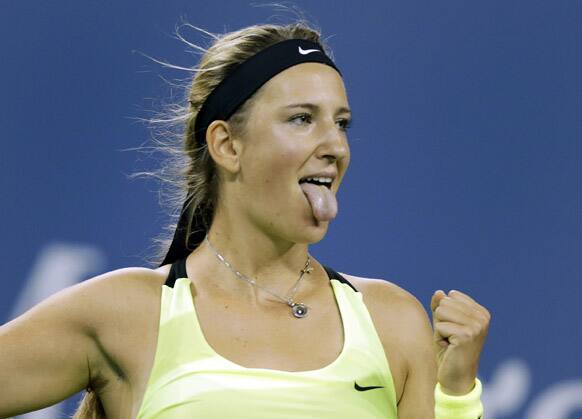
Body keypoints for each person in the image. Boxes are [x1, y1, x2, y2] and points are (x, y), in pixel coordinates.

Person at [0, 21, 490, 419]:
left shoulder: (393, 320)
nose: (336, 146)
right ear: (227, 145)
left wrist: (456, 395)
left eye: (341, 123)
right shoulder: (125, 313)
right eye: (302, 119)